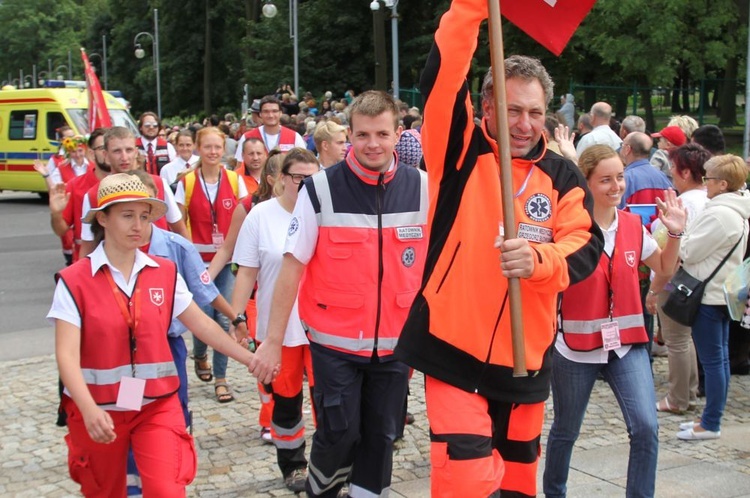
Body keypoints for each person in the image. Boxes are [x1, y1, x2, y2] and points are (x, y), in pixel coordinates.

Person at [393, 1, 604, 496]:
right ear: (487, 107)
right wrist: (469, 9)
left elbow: (585, 246)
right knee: (464, 480)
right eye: (512, 109)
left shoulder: (562, 174)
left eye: (534, 112)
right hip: (452, 349)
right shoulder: (459, 147)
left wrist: (537, 261)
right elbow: (442, 78)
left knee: (516, 486)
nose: (525, 123)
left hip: (525, 362)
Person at [253, 90, 428, 497]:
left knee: (383, 435)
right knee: (340, 431)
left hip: (396, 346)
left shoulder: (422, 187)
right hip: (334, 345)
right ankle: (324, 491)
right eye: (363, 135)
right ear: (349, 134)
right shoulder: (319, 189)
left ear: (396, 133)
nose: (372, 144)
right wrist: (273, 342)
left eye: (382, 134)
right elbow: (291, 269)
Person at [48, 173, 258, 497]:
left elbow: (201, 324)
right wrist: (88, 409)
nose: (138, 225)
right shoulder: (74, 281)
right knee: (104, 490)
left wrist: (248, 358)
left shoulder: (164, 271)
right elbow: (66, 355)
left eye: (144, 216)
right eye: (127, 215)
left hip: (156, 405)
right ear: (103, 218)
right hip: (99, 408)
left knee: (167, 488)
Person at [544, 145, 686, 498]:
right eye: (605, 179)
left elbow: (665, 271)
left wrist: (676, 235)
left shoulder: (634, 226)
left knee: (645, 427)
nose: (616, 186)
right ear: (587, 183)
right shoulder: (568, 229)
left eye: (620, 177)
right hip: (574, 349)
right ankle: (554, 493)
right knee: (565, 430)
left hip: (626, 344)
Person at [230, 148, 319, 492]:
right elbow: (246, 271)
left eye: (314, 179)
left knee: (329, 402)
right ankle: (293, 465)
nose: (307, 185)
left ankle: (331, 466)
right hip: (277, 331)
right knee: (286, 402)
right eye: (299, 178)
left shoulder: (325, 214)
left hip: (322, 327)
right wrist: (237, 316)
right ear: (282, 178)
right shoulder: (260, 216)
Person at [675, 154, 750, 440]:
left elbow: (689, 251)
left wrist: (680, 234)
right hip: (723, 291)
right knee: (718, 359)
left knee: (714, 361)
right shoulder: (735, 209)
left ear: (722, 183)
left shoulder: (721, 213)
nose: (704, 183)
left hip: (710, 295)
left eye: (707, 178)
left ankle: (710, 422)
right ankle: (709, 417)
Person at [175, 127, 248, 403]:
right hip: (198, 261)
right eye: (208, 147)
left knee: (224, 316)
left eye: (218, 147)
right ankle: (200, 352)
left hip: (226, 260)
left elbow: (243, 218)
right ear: (198, 148)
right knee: (202, 315)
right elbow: (178, 220)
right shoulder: (187, 182)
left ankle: (221, 378)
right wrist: (187, 254)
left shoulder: (233, 180)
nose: (214, 152)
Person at [646, 144, 711, 413]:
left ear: (685, 171)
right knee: (686, 339)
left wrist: (654, 289)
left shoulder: (683, 204)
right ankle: (688, 392)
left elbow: (667, 253)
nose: (670, 172)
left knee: (677, 341)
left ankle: (678, 398)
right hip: (693, 280)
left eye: (673, 167)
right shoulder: (707, 199)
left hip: (674, 281)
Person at [235, 95, 306, 161]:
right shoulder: (247, 137)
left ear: (280, 113)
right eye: (266, 111)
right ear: (260, 114)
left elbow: (303, 164)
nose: (270, 115)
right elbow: (239, 168)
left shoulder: (294, 137)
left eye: (274, 111)